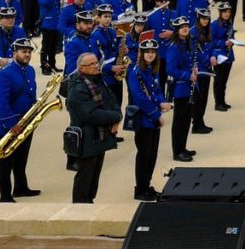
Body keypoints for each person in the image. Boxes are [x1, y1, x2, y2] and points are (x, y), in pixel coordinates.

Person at [65, 52, 122, 203]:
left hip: (99, 137)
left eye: (96, 62)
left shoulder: (97, 80)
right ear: (81, 69)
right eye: (91, 64)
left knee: (94, 175)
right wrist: (115, 117)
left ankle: (89, 201)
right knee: (85, 175)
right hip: (87, 138)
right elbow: (91, 114)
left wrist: (117, 115)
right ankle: (80, 205)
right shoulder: (78, 89)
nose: (96, 66)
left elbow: (112, 99)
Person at [0, 38, 41, 202]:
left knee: (21, 157)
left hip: (26, 122)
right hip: (10, 125)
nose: (27, 55)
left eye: (29, 52)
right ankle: (4, 195)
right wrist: (12, 124)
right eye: (23, 52)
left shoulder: (30, 70)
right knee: (5, 161)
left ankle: (20, 187)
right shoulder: (4, 74)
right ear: (14, 54)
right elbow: (0, 102)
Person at [127, 37, 171, 199]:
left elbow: (157, 91)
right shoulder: (136, 72)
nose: (150, 55)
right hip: (144, 120)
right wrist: (156, 114)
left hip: (152, 120)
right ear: (142, 54)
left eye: (153, 52)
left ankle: (147, 185)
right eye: (147, 52)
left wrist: (162, 102)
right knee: (144, 155)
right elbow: (139, 98)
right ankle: (140, 189)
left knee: (152, 155)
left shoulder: (152, 70)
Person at [163, 17, 196, 161]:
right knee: (179, 120)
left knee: (187, 119)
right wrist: (188, 75)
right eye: (182, 26)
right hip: (180, 87)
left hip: (189, 85)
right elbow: (170, 69)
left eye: (186, 26)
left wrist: (195, 69)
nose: (185, 28)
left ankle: (183, 146)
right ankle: (177, 151)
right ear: (177, 30)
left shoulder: (187, 43)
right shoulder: (174, 46)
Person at [208, 1, 236, 111]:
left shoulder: (229, 24)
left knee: (224, 81)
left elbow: (231, 36)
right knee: (218, 81)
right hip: (219, 55)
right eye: (224, 12)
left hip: (228, 55)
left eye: (228, 12)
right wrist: (224, 43)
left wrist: (233, 41)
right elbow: (211, 41)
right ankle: (217, 103)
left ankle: (222, 101)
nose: (227, 14)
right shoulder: (214, 25)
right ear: (220, 13)